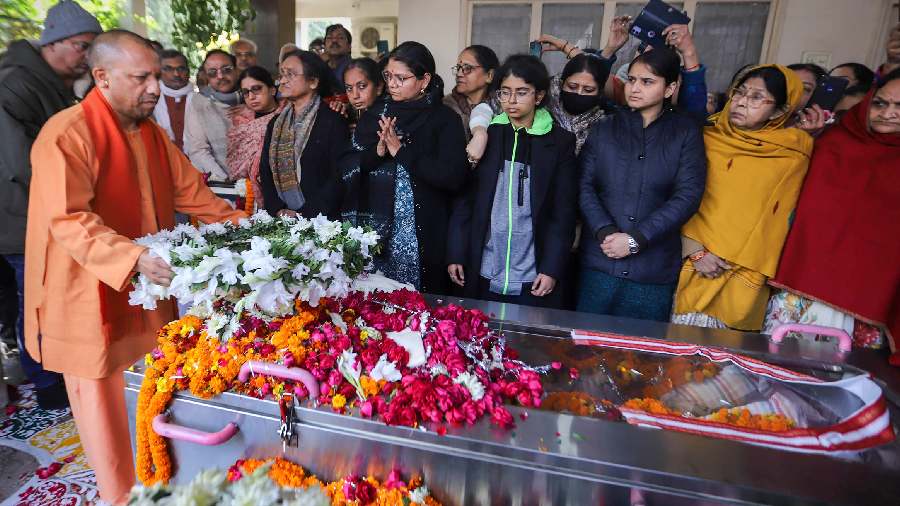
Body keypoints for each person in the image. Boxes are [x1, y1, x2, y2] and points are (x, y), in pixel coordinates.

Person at [25, 30, 246, 504]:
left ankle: (157, 484)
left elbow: (194, 196)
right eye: (142, 77)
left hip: (148, 295)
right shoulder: (65, 134)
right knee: (106, 421)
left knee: (153, 400)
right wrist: (135, 257)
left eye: (156, 76)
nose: (155, 88)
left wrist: (249, 228)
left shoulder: (152, 134)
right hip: (90, 298)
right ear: (101, 77)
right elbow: (69, 219)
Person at [0, 0, 102, 410]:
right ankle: (47, 384)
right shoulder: (16, 83)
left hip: (35, 213)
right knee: (37, 302)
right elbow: (20, 163)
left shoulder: (48, 82)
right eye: (82, 46)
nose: (87, 57)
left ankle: (40, 372)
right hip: (20, 217)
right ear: (54, 43)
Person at [765, 68, 900, 355]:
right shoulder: (832, 142)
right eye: (880, 103)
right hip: (803, 287)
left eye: (899, 106)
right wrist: (806, 138)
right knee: (785, 372)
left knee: (848, 384)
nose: (888, 113)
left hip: (869, 301)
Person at [672, 65, 813, 331]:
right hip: (689, 260)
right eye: (740, 92)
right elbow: (672, 196)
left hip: (744, 273)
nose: (741, 102)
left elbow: (778, 222)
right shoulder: (704, 137)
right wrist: (694, 250)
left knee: (724, 367)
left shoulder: (795, 152)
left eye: (757, 97)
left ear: (781, 110)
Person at [577, 48, 706, 321]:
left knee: (640, 357)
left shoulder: (684, 133)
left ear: (670, 88)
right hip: (600, 262)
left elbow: (688, 196)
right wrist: (605, 232)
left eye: (647, 82)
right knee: (583, 351)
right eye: (632, 80)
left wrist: (637, 239)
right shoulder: (604, 129)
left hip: (652, 270)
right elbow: (584, 186)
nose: (634, 88)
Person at [447, 55, 577, 308]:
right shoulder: (489, 136)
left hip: (532, 272)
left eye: (521, 92)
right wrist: (456, 252)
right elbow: (465, 200)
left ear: (538, 96)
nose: (511, 101)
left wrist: (551, 267)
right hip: (484, 266)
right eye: (505, 93)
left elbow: (563, 213)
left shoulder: (559, 143)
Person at [349, 41, 467, 293]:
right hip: (376, 235)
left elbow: (454, 178)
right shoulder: (376, 114)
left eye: (401, 78)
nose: (392, 84)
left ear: (424, 80)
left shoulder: (444, 120)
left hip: (420, 235)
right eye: (388, 76)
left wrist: (402, 153)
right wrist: (378, 151)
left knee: (417, 313)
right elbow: (350, 167)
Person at [258, 50, 349, 220]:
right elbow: (265, 170)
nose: (282, 80)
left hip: (322, 222)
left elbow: (339, 176)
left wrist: (305, 214)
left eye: (290, 75)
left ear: (313, 81)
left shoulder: (333, 121)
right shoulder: (276, 123)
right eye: (282, 74)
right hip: (283, 219)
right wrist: (278, 209)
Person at [226, 66, 282, 203]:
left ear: (272, 90)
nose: (251, 97)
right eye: (245, 92)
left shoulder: (287, 116)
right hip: (246, 195)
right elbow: (234, 165)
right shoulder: (240, 121)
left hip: (282, 190)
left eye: (257, 89)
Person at [185, 49, 241, 182]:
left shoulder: (253, 96)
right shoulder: (199, 102)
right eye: (212, 72)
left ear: (237, 70)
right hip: (221, 185)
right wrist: (224, 180)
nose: (220, 76)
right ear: (207, 76)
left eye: (226, 69)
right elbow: (198, 150)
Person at [443, 45, 498, 140]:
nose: (459, 74)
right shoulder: (446, 106)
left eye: (467, 68)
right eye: (458, 68)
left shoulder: (503, 106)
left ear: (489, 75)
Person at [153, 49, 195, 151]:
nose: (176, 74)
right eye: (168, 69)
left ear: (188, 71)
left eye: (181, 69)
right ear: (159, 72)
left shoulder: (201, 100)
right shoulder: (151, 101)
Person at [343, 57, 384, 127]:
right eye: (349, 88)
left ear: (379, 87)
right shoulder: (347, 113)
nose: (355, 96)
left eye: (362, 86)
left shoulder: (389, 119)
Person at [325, 24, 353, 88]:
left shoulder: (356, 68)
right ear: (325, 46)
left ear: (349, 47)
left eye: (340, 38)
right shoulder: (320, 67)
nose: (334, 41)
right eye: (329, 37)